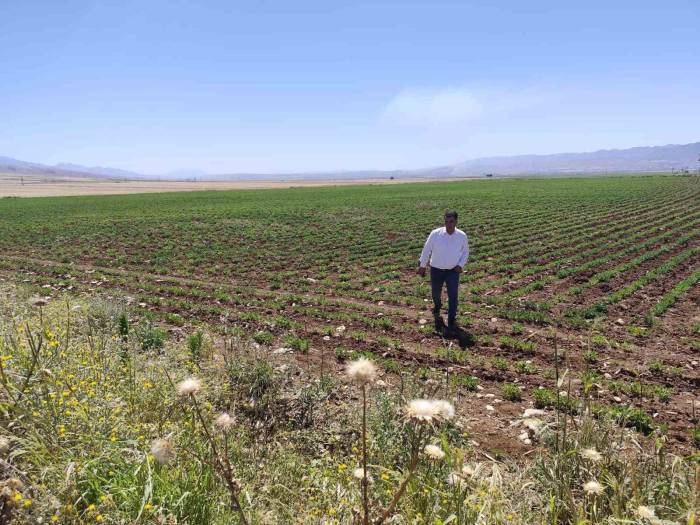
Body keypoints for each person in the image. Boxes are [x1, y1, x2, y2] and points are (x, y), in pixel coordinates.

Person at [417, 211, 469, 335]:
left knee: (453, 296)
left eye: (451, 222)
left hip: (452, 271)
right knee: (435, 293)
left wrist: (460, 265)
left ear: (456, 221)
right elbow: (426, 249)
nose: (448, 224)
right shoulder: (435, 234)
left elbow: (466, 252)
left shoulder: (461, 235)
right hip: (436, 270)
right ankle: (437, 306)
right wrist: (422, 265)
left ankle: (451, 319)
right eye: (446, 221)